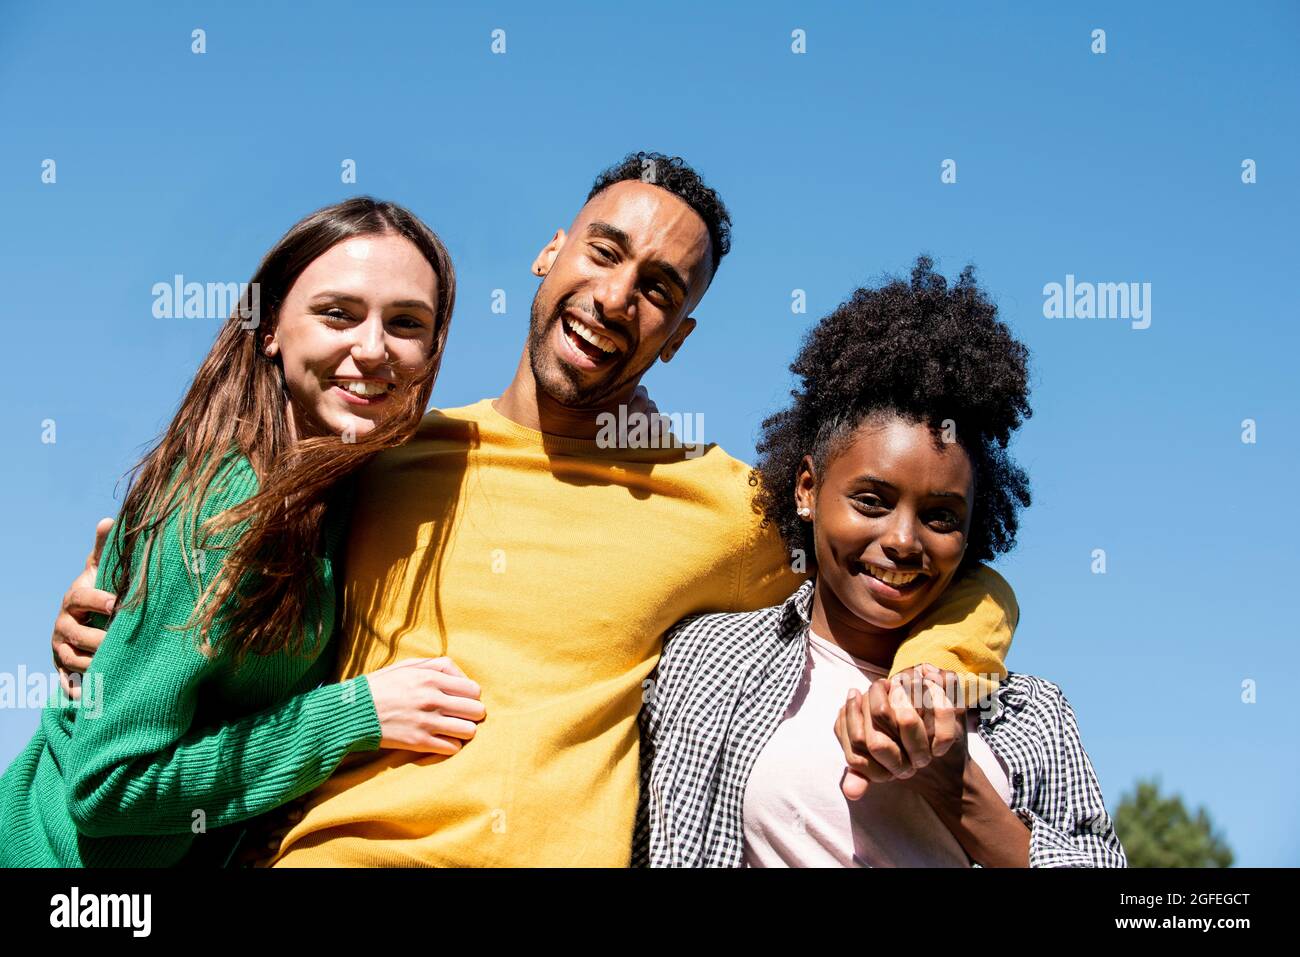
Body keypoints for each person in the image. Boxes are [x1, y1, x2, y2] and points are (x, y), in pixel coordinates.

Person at [50, 154, 1019, 868]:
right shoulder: (386, 457)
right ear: (550, 252)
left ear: (675, 340)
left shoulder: (724, 505)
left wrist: (931, 679)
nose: (615, 296)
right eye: (604, 252)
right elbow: (212, 616)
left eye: (657, 291)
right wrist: (108, 614)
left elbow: (934, 566)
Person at [0, 198, 487, 866]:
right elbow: (107, 786)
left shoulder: (356, 490)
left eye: (406, 323)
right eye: (337, 312)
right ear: (269, 329)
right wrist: (356, 715)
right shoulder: (220, 509)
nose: (372, 349)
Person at [635, 257, 1127, 867]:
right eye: (872, 501)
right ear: (807, 490)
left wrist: (954, 783)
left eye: (941, 517)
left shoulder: (1031, 714)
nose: (903, 540)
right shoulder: (709, 660)